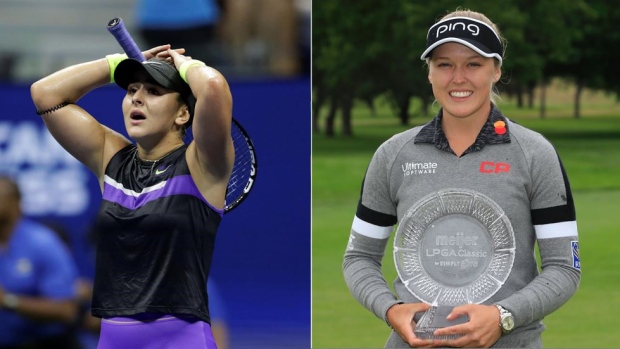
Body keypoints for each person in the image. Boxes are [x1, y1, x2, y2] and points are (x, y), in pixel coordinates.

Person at [342, 9, 581, 349]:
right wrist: (391, 309)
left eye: (473, 64)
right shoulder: (394, 155)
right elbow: (359, 258)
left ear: (496, 70)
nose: (458, 78)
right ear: (429, 73)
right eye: (444, 64)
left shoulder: (534, 154)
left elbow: (564, 268)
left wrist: (503, 316)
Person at [30, 41, 234, 349]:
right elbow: (45, 94)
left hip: (181, 339)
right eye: (131, 90)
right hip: (113, 338)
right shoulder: (110, 159)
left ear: (182, 114)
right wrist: (117, 63)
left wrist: (183, 64)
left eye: (153, 91)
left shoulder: (202, 163)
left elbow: (214, 87)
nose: (137, 97)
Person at [0, 175, 81, 349]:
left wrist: (8, 301)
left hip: (47, 343)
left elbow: (66, 310)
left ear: (16, 202)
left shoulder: (42, 242)